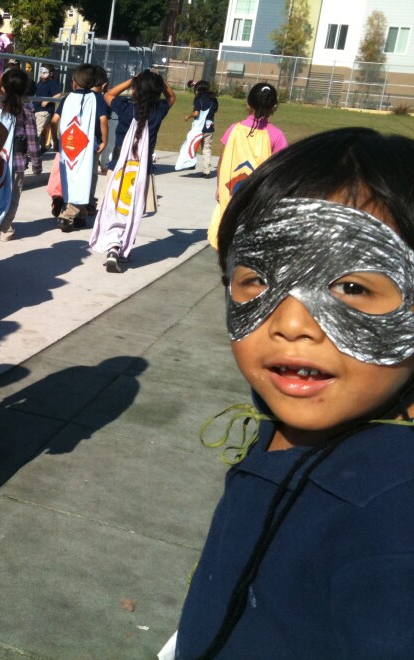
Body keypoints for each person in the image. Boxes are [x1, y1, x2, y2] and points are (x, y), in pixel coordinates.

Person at [174, 128, 414, 658]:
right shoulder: (280, 424)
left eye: (350, 287)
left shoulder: (394, 521)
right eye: (258, 278)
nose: (291, 322)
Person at [92, 70, 174, 271]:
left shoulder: (127, 109)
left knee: (113, 206)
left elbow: (108, 95)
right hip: (141, 169)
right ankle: (122, 248)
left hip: (118, 166)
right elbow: (172, 97)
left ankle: (112, 245)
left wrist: (130, 81)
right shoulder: (160, 109)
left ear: (135, 90)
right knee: (132, 209)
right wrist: (161, 81)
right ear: (157, 92)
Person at [207, 82, 287, 248]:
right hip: (259, 198)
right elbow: (282, 169)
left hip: (231, 191)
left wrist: (219, 187)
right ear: (274, 107)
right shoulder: (276, 135)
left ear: (247, 103)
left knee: (228, 236)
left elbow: (223, 161)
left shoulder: (234, 129)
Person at [50, 63, 109, 232]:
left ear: (73, 81)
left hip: (69, 146)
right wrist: (104, 140)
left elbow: (54, 121)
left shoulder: (67, 98)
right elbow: (103, 120)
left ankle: (74, 214)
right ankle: (76, 214)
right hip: (90, 145)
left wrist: (56, 140)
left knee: (71, 177)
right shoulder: (97, 98)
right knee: (85, 178)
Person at [0, 67, 41, 241]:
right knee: (13, 195)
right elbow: (32, 138)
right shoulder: (27, 110)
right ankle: (6, 228)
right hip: (17, 161)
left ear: (2, 87)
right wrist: (36, 163)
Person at [182, 79, 218, 176]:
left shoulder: (198, 99)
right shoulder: (214, 99)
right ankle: (207, 171)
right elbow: (214, 111)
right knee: (206, 149)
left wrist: (188, 116)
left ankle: (190, 162)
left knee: (191, 143)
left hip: (199, 128)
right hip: (209, 127)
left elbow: (196, 113)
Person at [34, 63, 62, 152]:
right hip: (36, 109)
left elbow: (58, 95)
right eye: (41, 72)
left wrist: (47, 100)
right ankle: (43, 147)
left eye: (44, 72)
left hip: (44, 111)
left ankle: (32, 150)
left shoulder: (52, 83)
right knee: (42, 131)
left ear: (50, 74)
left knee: (37, 131)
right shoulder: (40, 82)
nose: (42, 74)